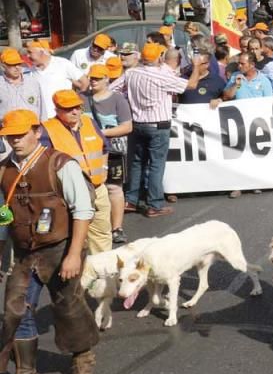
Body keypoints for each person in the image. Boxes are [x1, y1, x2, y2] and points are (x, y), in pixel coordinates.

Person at [0, 109, 101, 374]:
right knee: (15, 310)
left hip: (61, 247)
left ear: (37, 131)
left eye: (21, 134)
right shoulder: (4, 170)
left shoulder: (60, 164)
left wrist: (73, 254)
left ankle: (82, 357)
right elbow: (3, 218)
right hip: (25, 252)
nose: (15, 140)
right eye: (10, 136)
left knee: (68, 306)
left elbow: (83, 210)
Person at [113, 42, 200, 218]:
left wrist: (129, 100)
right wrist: (196, 65)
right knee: (155, 164)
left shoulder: (131, 73)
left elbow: (112, 89)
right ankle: (154, 204)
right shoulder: (161, 78)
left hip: (137, 124)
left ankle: (131, 199)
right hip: (157, 124)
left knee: (136, 163)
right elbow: (191, 85)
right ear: (159, 58)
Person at [40, 90, 112, 255]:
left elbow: (104, 148)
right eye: (68, 108)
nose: (75, 112)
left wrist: (104, 169)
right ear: (57, 110)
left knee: (101, 235)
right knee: (74, 237)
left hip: (98, 189)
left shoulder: (89, 122)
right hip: (70, 195)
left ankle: (103, 275)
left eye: (77, 107)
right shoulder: (47, 130)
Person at [84, 64, 132, 244]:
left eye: (97, 78)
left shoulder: (118, 99)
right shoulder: (82, 98)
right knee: (90, 188)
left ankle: (117, 228)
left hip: (113, 150)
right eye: (91, 78)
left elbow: (127, 126)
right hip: (89, 151)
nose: (93, 81)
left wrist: (100, 133)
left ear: (107, 79)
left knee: (114, 188)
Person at [0, 48, 45, 119]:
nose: (17, 67)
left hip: (31, 128)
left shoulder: (33, 82)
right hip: (8, 128)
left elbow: (42, 110)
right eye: (12, 64)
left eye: (19, 64)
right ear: (3, 66)